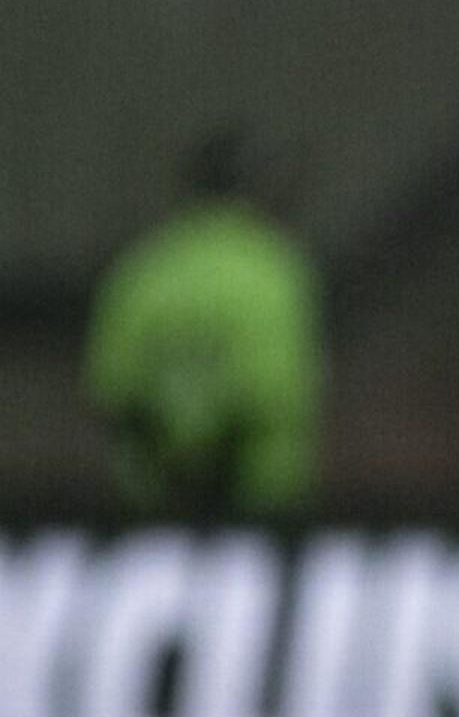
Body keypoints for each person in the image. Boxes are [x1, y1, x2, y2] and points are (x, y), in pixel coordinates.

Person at [83, 138, 322, 520]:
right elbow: (273, 392)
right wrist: (217, 478)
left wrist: (174, 468)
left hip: (152, 514)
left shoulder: (142, 269)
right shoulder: (273, 270)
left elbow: (114, 389)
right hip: (257, 511)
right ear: (256, 189)